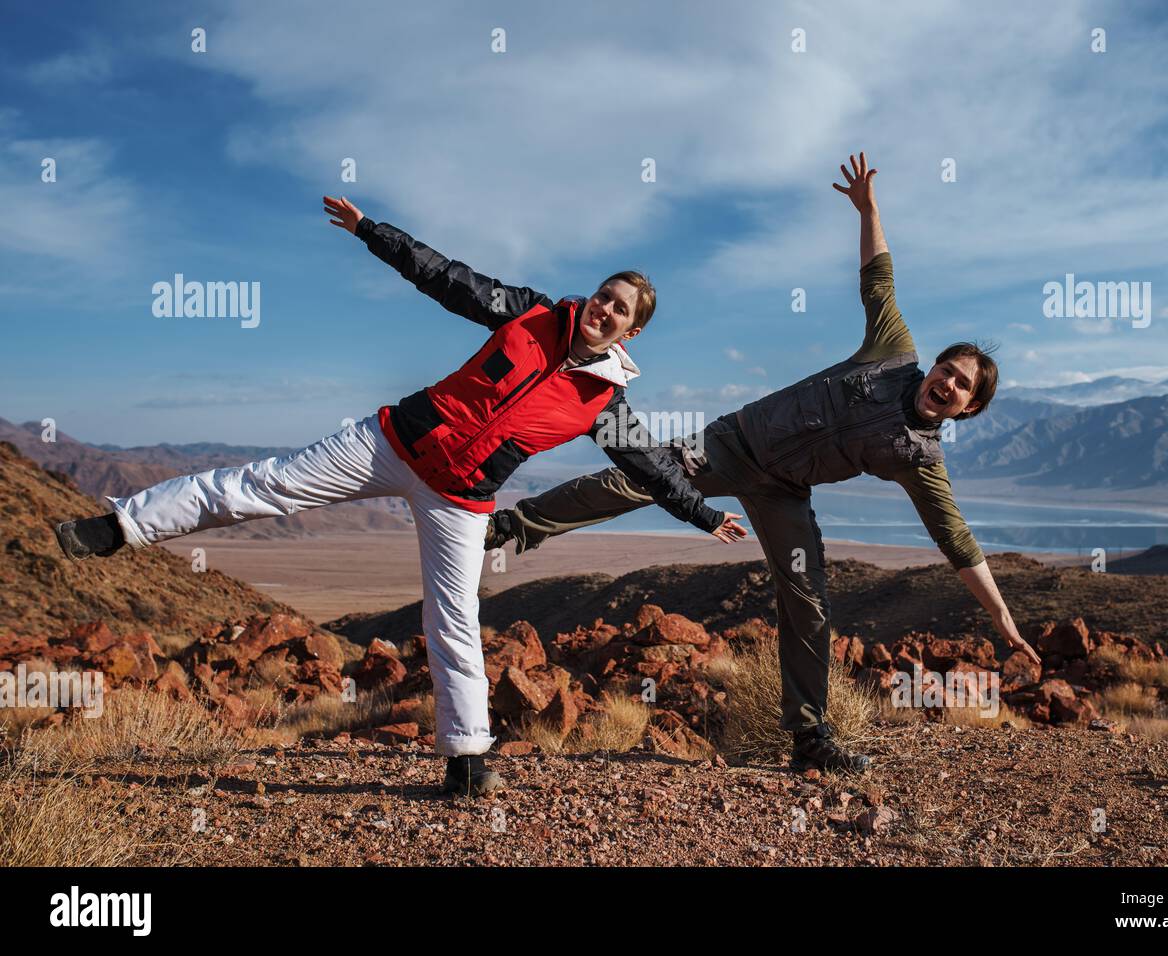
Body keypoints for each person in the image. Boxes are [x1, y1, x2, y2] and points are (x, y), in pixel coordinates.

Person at [53, 194, 747, 796]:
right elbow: (446, 277)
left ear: (634, 331)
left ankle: (468, 759)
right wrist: (370, 232)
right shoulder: (530, 312)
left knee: (454, 621)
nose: (605, 309)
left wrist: (704, 513)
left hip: (462, 500)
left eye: (620, 309)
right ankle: (120, 527)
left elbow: (653, 466)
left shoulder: (604, 401)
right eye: (604, 295)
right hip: (392, 442)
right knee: (264, 484)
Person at [483, 152, 1043, 773]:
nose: (948, 383)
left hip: (784, 492)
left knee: (807, 599)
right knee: (633, 479)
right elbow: (878, 278)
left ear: (967, 409)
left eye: (963, 387)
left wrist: (1001, 615)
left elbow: (954, 538)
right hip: (732, 443)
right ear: (935, 364)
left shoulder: (920, 458)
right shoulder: (892, 351)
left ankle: (809, 739)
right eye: (949, 369)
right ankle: (512, 527)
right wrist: (870, 210)